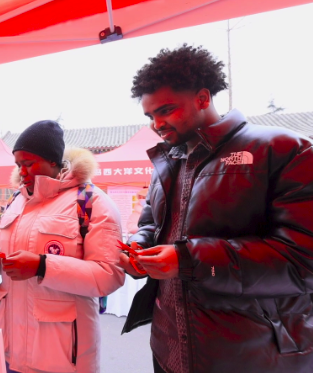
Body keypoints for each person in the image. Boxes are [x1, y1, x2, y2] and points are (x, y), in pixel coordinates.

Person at [120, 45, 313, 373]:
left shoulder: (284, 150)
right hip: (168, 350)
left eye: (166, 109)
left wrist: (188, 260)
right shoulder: (166, 164)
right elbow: (152, 225)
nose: (157, 123)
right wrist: (139, 248)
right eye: (150, 115)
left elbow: (302, 262)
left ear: (203, 98)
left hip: (253, 356)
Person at [0, 120, 125, 373]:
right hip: (10, 345)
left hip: (61, 355)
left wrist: (42, 266)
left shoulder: (91, 202)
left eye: (29, 163)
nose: (21, 172)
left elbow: (109, 275)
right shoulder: (17, 201)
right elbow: (6, 255)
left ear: (53, 161)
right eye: (18, 164)